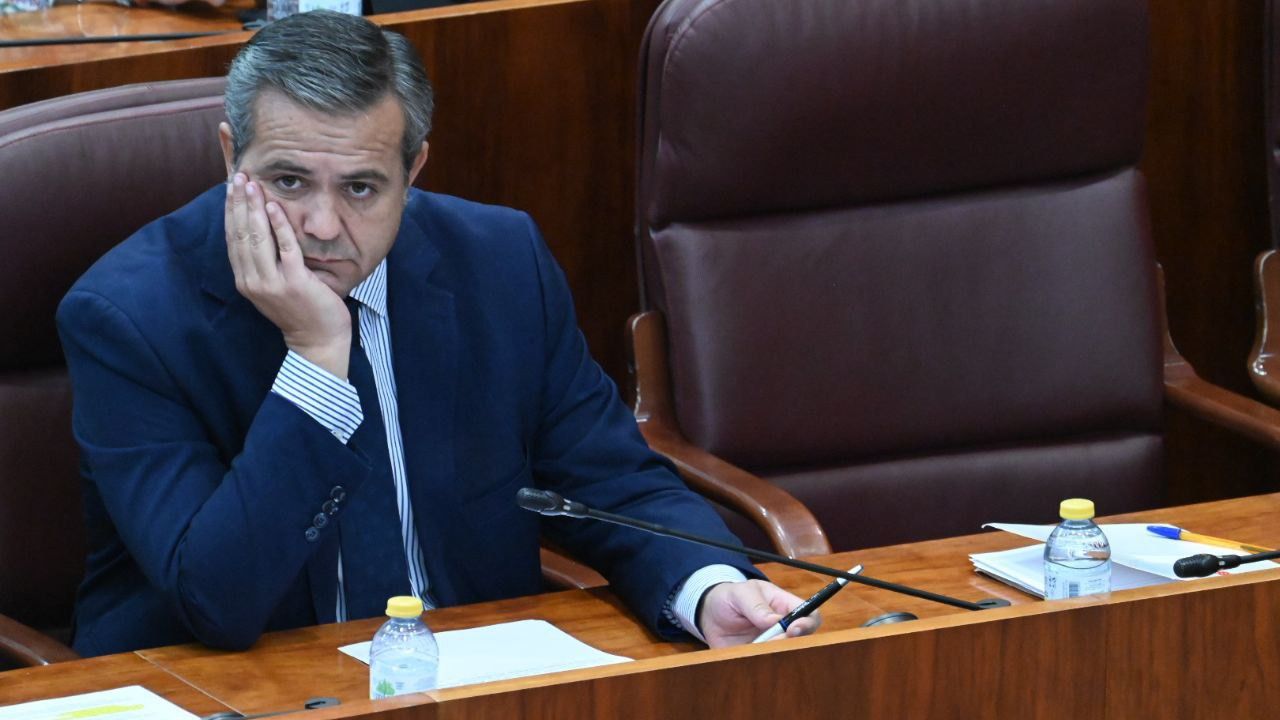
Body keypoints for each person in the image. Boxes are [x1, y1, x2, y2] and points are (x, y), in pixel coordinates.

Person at [57, 10, 816, 657]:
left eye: (360, 187)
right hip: (240, 692)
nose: (323, 227)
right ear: (231, 157)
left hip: (470, 680)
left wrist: (707, 587)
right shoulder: (129, 319)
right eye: (289, 182)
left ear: (413, 170)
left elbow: (608, 480)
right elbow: (217, 601)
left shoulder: (498, 262)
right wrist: (318, 362)